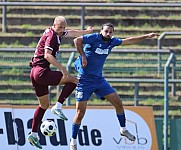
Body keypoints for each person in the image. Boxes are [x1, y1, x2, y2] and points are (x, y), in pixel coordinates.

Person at [70, 23, 159, 150]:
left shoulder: (112, 42)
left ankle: (123, 130)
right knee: (80, 113)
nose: (108, 33)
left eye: (111, 32)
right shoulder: (94, 37)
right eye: (106, 31)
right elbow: (77, 40)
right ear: (101, 31)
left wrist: (147, 36)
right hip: (84, 80)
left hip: (99, 80)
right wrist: (83, 56)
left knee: (118, 103)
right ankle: (73, 141)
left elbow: (129, 41)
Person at [27, 16, 93, 149]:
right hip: (41, 72)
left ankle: (33, 134)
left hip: (34, 72)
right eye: (60, 27)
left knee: (43, 105)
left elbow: (72, 32)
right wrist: (62, 68)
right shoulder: (52, 36)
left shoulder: (54, 32)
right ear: (54, 25)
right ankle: (58, 106)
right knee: (74, 80)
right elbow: (47, 55)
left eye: (64, 27)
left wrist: (85, 32)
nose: (62, 30)